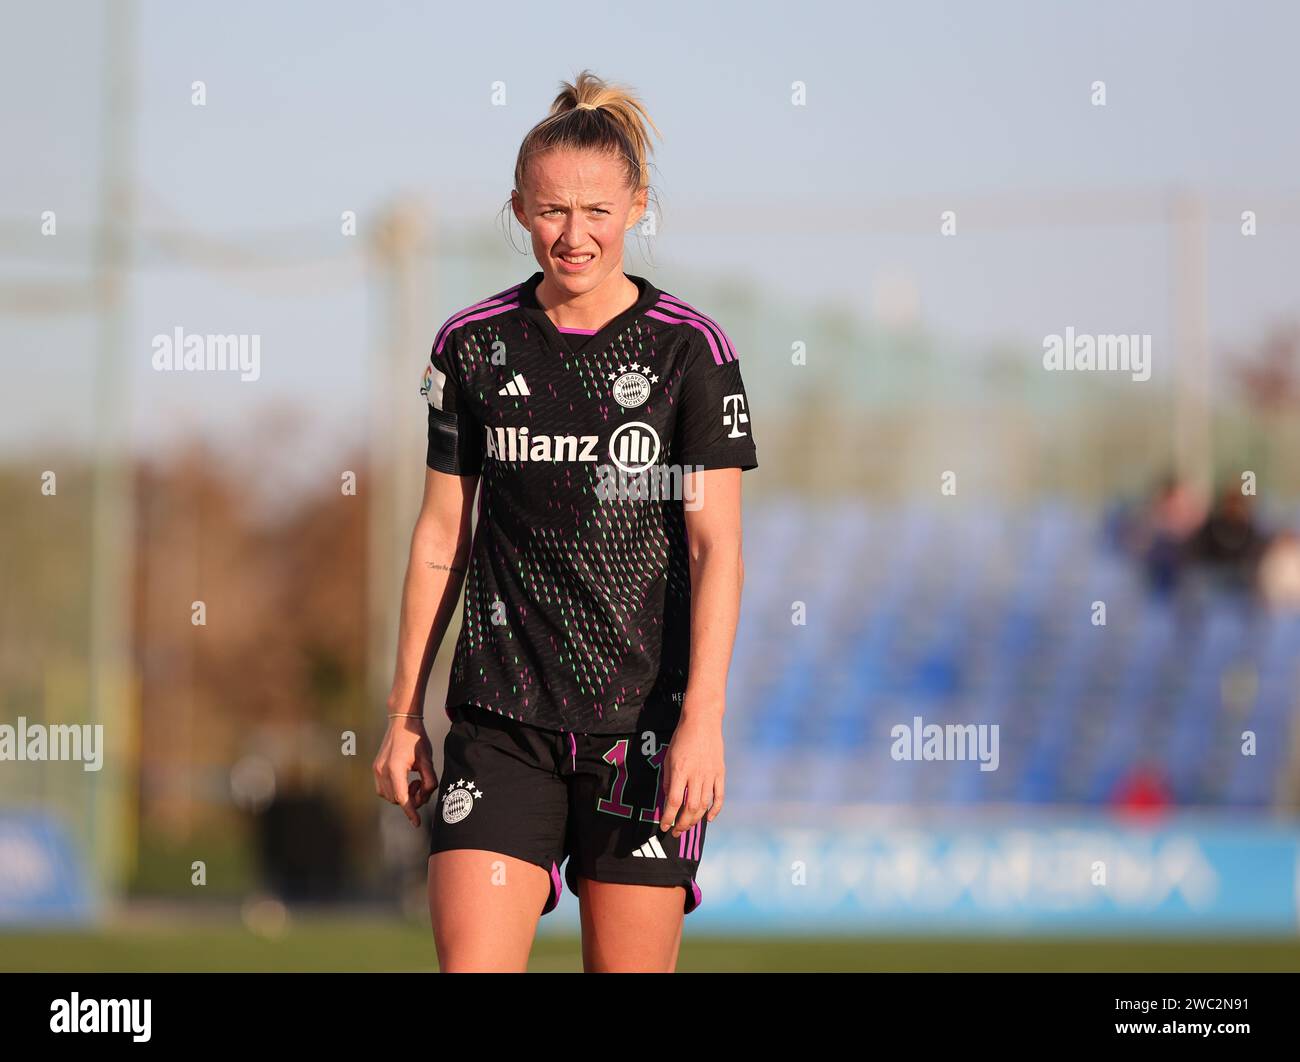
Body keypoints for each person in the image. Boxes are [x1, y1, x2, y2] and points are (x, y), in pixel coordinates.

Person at [372, 70, 758, 972]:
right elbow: (442, 537)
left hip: (643, 728)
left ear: (638, 206)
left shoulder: (691, 352)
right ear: (517, 209)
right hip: (501, 720)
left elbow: (717, 545)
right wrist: (402, 713)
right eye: (550, 211)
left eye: (596, 210)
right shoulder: (471, 344)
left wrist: (703, 715)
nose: (573, 235)